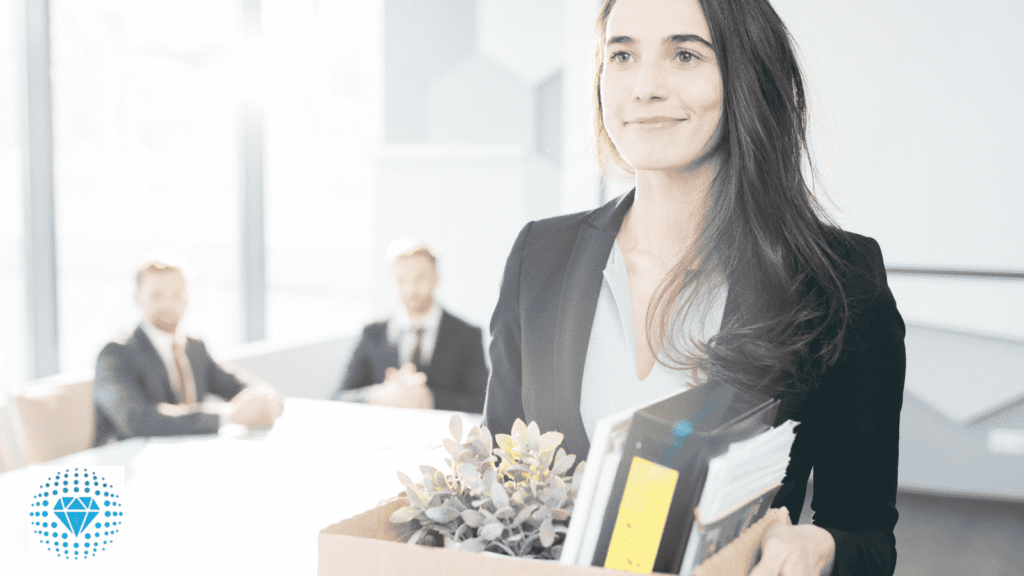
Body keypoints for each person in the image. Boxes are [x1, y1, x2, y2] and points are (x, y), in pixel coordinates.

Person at [483, 1, 905, 575]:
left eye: (685, 55)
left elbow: (867, 534)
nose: (645, 86)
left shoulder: (836, 277)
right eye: (622, 55)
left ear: (747, 75)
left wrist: (819, 548)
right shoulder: (540, 257)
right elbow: (496, 488)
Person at [93, 254, 283, 445]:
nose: (168, 304)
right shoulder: (115, 354)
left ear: (187, 298)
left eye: (176, 294)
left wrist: (265, 399)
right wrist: (226, 416)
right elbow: (135, 421)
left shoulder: (194, 347)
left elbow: (239, 384)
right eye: (157, 295)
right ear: (137, 298)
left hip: (185, 455)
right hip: (123, 463)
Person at [333, 239, 488, 413]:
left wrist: (431, 399)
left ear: (436, 279)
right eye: (401, 280)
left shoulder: (467, 335)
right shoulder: (372, 332)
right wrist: (377, 395)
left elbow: (484, 401)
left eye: (420, 277)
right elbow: (338, 397)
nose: (411, 289)